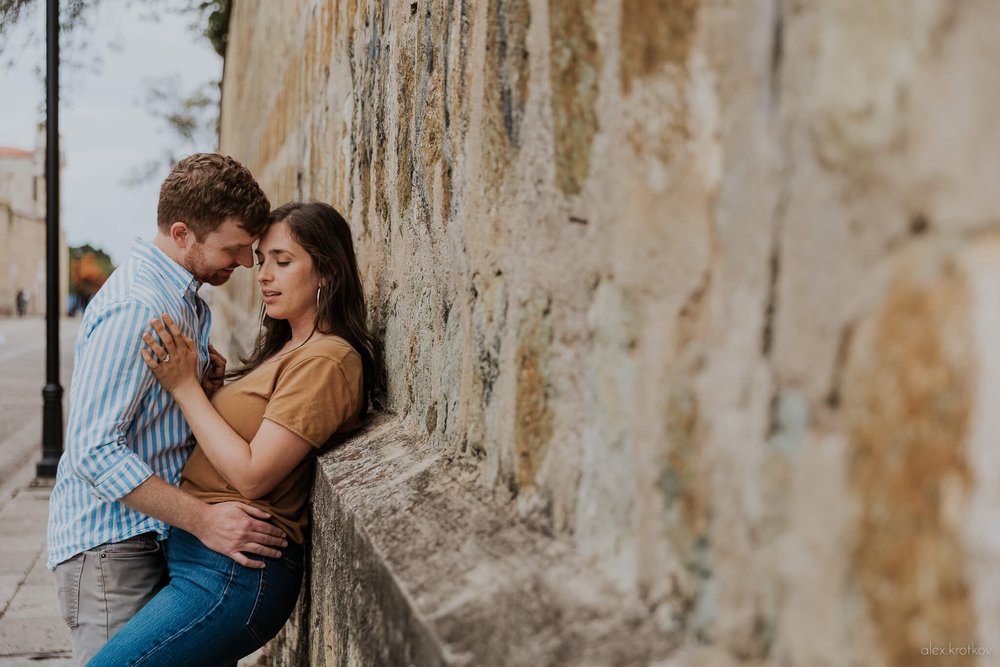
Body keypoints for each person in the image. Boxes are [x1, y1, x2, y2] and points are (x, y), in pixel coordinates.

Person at [89, 201, 379, 666]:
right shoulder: (288, 349)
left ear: (326, 272)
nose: (264, 275)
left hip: (233, 572)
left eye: (283, 262)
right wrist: (210, 392)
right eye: (262, 260)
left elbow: (252, 475)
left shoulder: (328, 360)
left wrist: (186, 389)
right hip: (201, 553)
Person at [47, 153, 285, 666]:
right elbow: (92, 451)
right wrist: (205, 521)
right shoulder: (140, 305)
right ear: (182, 234)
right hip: (112, 547)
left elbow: (150, 425)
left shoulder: (184, 299)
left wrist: (205, 390)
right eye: (235, 248)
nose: (247, 263)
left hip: (148, 535)